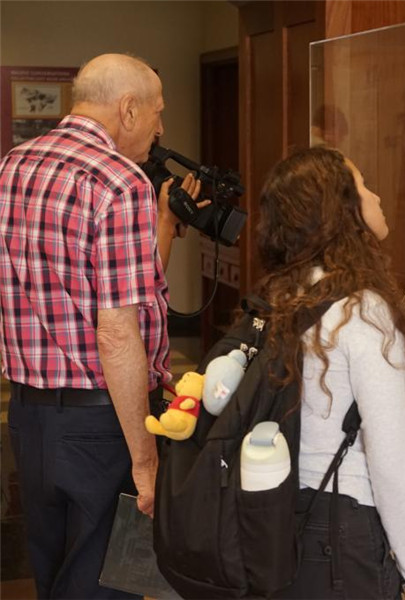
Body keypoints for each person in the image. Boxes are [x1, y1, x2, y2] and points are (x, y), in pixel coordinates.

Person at [0, 53, 199, 599]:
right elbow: (116, 331)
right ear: (128, 108)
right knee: (107, 584)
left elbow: (80, 284)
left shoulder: (13, 166)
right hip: (100, 424)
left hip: (29, 419)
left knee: (55, 575)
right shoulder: (119, 181)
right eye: (157, 112)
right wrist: (145, 456)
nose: (161, 128)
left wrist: (163, 225)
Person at [255, 147, 405, 600]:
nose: (375, 195)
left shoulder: (283, 296)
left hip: (277, 520)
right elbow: (390, 463)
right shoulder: (362, 312)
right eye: (362, 187)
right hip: (340, 533)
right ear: (341, 213)